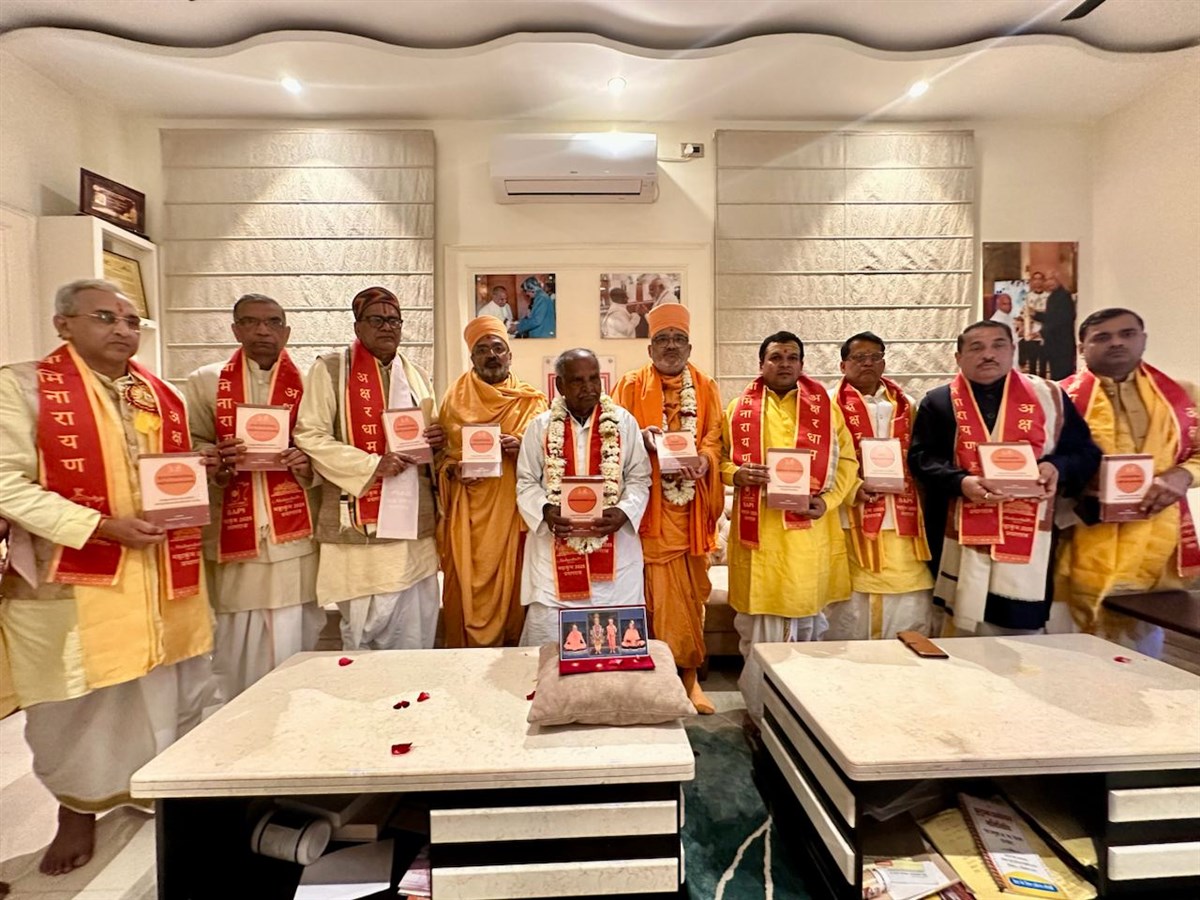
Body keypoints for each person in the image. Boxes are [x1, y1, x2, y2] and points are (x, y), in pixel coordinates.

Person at [0, 279, 213, 875]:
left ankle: (160, 790)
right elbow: (6, 482)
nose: (123, 329)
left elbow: (174, 470)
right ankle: (76, 810)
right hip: (71, 577)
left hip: (158, 570)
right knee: (79, 702)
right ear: (62, 323)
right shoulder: (21, 388)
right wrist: (98, 526)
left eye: (130, 320)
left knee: (165, 688)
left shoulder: (157, 394)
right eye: (105, 317)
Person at [909, 321, 1100, 635]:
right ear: (958, 357)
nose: (988, 355)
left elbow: (1084, 452)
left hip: (1028, 527)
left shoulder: (1050, 397)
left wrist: (1056, 467)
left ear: (1013, 351)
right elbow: (921, 458)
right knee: (959, 630)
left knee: (1019, 631)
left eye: (998, 345)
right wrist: (960, 482)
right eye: (976, 347)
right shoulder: (940, 401)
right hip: (958, 525)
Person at [184, 293, 324, 702]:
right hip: (234, 534)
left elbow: (325, 443)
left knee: (297, 637)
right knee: (237, 644)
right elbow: (189, 443)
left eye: (272, 322)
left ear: (286, 331)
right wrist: (213, 458)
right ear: (235, 330)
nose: (263, 330)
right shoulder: (206, 380)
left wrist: (307, 462)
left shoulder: (311, 382)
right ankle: (239, 719)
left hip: (296, 537)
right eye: (251, 322)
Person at [294, 286, 444, 650]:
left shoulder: (416, 374)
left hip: (414, 526)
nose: (387, 327)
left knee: (416, 625)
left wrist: (437, 439)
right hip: (359, 527)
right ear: (358, 326)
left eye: (394, 320)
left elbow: (426, 437)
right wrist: (372, 465)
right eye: (376, 319)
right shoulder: (330, 369)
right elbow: (308, 433)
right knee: (366, 630)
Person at [721, 331, 857, 721]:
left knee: (807, 632)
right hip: (758, 537)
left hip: (807, 538)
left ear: (802, 364)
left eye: (791, 357)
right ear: (761, 363)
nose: (784, 364)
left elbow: (847, 463)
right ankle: (759, 714)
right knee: (755, 632)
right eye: (776, 357)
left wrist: (827, 501)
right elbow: (722, 462)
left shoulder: (827, 409)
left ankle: (803, 715)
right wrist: (737, 474)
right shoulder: (737, 409)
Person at [1056, 308, 1200, 655]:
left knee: (1142, 642)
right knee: (1070, 641)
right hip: (1082, 528)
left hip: (1154, 531)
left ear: (1143, 339)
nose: (1117, 342)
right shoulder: (1057, 397)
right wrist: (1077, 480)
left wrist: (1183, 475)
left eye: (1127, 334)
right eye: (1102, 337)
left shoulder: (1182, 396)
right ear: (1082, 348)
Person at [612, 304, 723, 714]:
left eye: (678, 340)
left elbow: (714, 435)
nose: (671, 347)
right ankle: (651, 676)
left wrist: (707, 460)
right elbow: (613, 435)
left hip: (690, 510)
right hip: (649, 513)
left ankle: (688, 677)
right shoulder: (628, 386)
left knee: (690, 598)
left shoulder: (706, 386)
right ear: (650, 347)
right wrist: (638, 435)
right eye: (663, 340)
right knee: (647, 598)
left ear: (689, 346)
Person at [516, 349, 651, 645]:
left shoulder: (624, 423)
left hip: (616, 563)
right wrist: (546, 510)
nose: (589, 387)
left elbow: (640, 478)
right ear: (560, 386)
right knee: (549, 647)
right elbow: (525, 482)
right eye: (578, 381)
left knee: (616, 644)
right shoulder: (539, 427)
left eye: (594, 379)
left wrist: (625, 512)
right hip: (555, 559)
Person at [436, 315, 547, 647]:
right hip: (467, 515)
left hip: (512, 515)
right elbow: (440, 457)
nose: (492, 355)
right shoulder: (453, 400)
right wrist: (452, 470)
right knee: (465, 588)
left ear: (510, 355)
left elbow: (552, 458)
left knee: (513, 589)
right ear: (472, 358)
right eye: (482, 349)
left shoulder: (531, 400)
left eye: (498, 348)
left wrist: (523, 448)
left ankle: (509, 666)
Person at [825, 332, 935, 640]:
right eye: (860, 358)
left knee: (907, 590)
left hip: (901, 511)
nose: (868, 364)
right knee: (850, 598)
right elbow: (822, 458)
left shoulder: (907, 404)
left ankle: (904, 652)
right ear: (843, 365)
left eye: (876, 357)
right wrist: (851, 487)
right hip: (850, 510)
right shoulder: (827, 403)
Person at [1034, 271, 1078, 380]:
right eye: (1047, 280)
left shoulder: (1064, 296)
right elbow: (1050, 317)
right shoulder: (1053, 296)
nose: (1049, 283)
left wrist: (1040, 332)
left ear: (1058, 280)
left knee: (1063, 378)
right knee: (1056, 377)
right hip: (1054, 345)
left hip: (1062, 346)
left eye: (1052, 279)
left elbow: (1061, 320)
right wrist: (1035, 314)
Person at [1019, 272, 1048, 376]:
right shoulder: (1028, 297)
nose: (1038, 282)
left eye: (1040, 279)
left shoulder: (1048, 297)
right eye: (1035, 279)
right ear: (1032, 281)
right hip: (1031, 334)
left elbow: (1051, 317)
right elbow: (1025, 315)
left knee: (1043, 364)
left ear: (1044, 281)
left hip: (1044, 335)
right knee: (1031, 362)